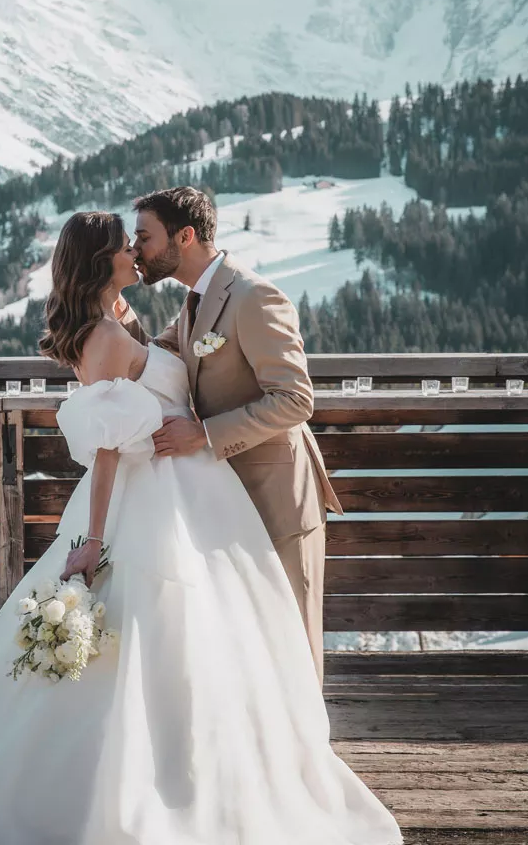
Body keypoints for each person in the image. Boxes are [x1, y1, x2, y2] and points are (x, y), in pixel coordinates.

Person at [0, 211, 401, 845]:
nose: (135, 253)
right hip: (147, 499)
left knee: (192, 635)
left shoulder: (123, 320)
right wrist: (93, 540)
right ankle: (131, 776)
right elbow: (111, 446)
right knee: (143, 633)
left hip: (190, 490)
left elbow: (169, 377)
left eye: (137, 240)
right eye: (125, 244)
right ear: (102, 259)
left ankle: (200, 756)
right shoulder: (104, 336)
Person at [118, 186, 342, 684]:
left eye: (144, 237)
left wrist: (203, 434)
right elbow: (154, 357)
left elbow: (295, 399)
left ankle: (303, 756)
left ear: (187, 235)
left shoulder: (254, 296)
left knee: (291, 631)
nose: (136, 250)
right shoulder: (196, 301)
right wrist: (111, 301)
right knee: (248, 634)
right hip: (228, 497)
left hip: (278, 495)